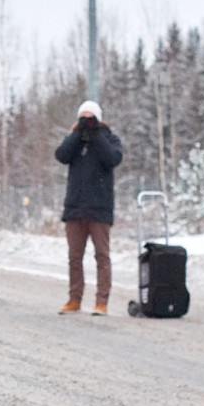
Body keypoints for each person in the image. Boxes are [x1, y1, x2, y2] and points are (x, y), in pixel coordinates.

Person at [54, 100, 124, 316]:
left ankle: (102, 301)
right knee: (74, 257)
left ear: (100, 119)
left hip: (99, 209)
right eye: (83, 118)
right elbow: (61, 155)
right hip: (75, 208)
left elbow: (113, 158)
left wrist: (98, 134)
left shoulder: (109, 139)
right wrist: (77, 134)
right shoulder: (75, 141)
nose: (87, 123)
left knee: (102, 256)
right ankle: (74, 298)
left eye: (91, 118)